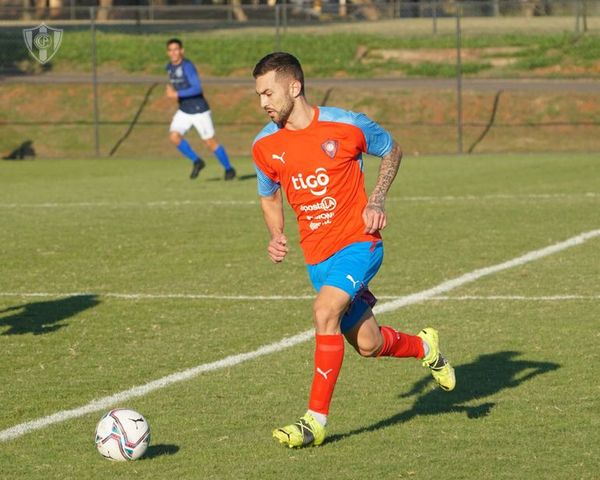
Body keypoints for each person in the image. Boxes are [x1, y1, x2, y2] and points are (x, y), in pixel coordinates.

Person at [251, 52, 456, 449]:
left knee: (324, 311)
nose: (263, 103)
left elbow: (392, 150)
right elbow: (269, 195)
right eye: (259, 95)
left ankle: (314, 422)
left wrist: (376, 199)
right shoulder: (264, 146)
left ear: (294, 87)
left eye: (269, 93)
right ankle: (426, 347)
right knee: (369, 344)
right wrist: (276, 234)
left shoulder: (347, 124)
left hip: (359, 243)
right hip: (318, 258)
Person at [165, 38, 236, 180]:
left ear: (182, 51)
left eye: (176, 49)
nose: (174, 52)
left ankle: (229, 169)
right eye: (171, 50)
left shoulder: (187, 66)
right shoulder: (169, 67)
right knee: (174, 136)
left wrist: (176, 94)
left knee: (209, 142)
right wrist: (173, 91)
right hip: (184, 110)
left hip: (199, 110)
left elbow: (197, 88)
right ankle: (197, 161)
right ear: (168, 52)